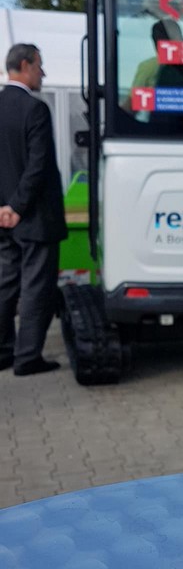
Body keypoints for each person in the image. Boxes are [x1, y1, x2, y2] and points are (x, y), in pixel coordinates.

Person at [0, 44, 67, 375]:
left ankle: (3, 351)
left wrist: (4, 207)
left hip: (3, 216)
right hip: (35, 216)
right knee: (36, 287)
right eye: (40, 66)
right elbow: (38, 164)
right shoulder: (35, 109)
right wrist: (17, 205)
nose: (43, 73)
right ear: (25, 65)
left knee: (6, 283)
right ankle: (27, 357)